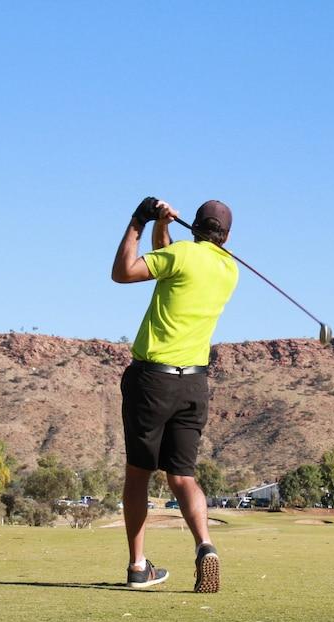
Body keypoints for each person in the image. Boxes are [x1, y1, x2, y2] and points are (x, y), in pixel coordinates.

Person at [111, 196, 238, 593]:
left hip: (152, 380)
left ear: (195, 225)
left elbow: (124, 272)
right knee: (182, 476)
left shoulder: (183, 254)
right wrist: (164, 226)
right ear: (227, 236)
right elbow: (170, 263)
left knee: (139, 475)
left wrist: (140, 220)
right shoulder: (228, 269)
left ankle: (137, 566)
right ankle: (205, 545)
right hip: (193, 384)